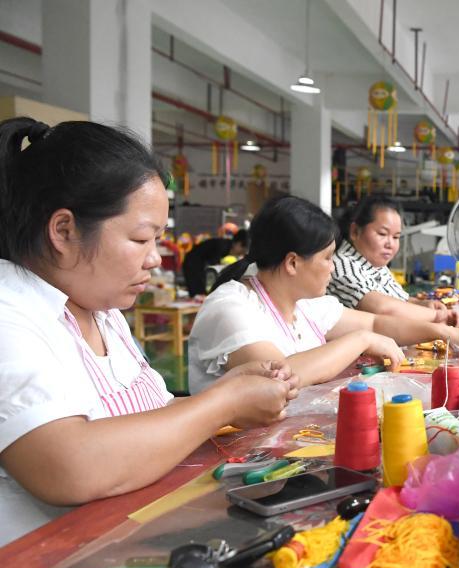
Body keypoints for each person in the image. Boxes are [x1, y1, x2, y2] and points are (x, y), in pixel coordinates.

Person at [0, 118, 296, 546]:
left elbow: (150, 417)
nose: (155, 259)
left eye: (158, 239)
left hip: (131, 543)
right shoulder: (10, 311)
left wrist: (229, 395)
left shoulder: (101, 311)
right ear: (63, 231)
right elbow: (69, 465)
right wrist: (223, 403)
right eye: (141, 239)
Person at [188, 195, 459, 394]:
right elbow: (279, 375)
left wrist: (442, 332)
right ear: (292, 263)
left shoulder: (307, 305)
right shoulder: (231, 307)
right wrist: (362, 340)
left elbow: (375, 323)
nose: (334, 267)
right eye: (328, 258)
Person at [328, 196, 459, 325]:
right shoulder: (341, 265)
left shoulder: (376, 265)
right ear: (355, 232)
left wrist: (423, 304)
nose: (390, 244)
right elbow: (380, 307)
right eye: (382, 234)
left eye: (396, 237)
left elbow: (400, 300)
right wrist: (436, 316)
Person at [182, 228, 249, 296]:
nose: (241, 254)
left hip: (196, 261)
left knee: (199, 289)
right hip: (192, 262)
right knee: (197, 289)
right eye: (242, 251)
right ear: (238, 244)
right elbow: (214, 265)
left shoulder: (226, 245)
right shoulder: (222, 246)